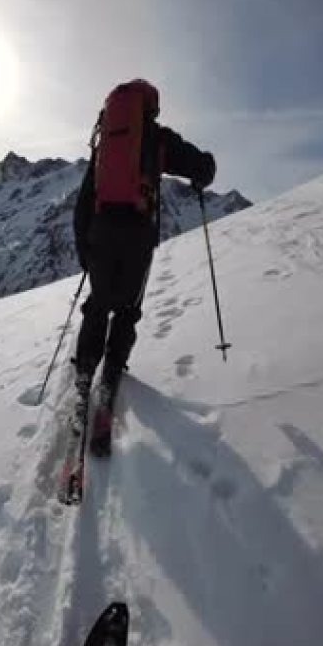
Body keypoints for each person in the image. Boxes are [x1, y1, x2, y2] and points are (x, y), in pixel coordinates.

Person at [72, 78, 215, 417]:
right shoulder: (158, 138)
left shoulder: (105, 143)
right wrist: (205, 170)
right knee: (127, 308)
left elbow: (84, 200)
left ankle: (84, 372)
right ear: (151, 109)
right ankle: (111, 373)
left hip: (101, 231)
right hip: (137, 233)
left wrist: (84, 246)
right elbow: (200, 167)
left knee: (99, 303)